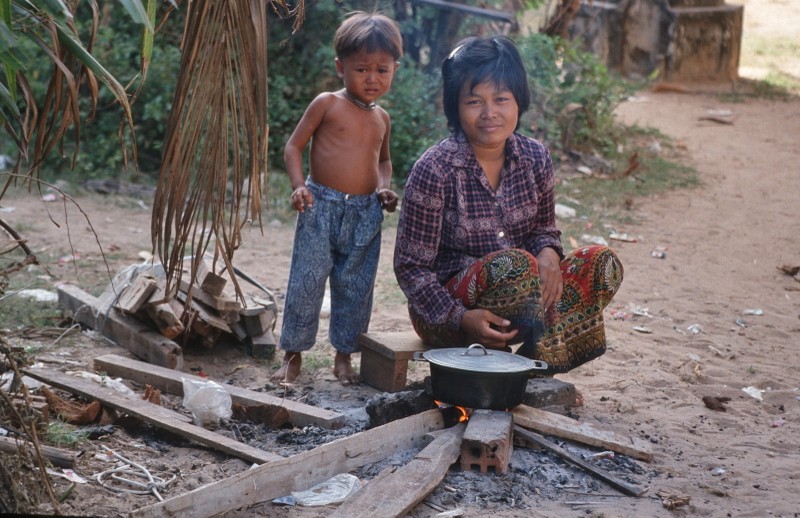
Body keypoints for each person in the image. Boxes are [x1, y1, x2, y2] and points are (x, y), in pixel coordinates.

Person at [393, 36, 623, 374]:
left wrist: (548, 252)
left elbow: (544, 229)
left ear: (519, 102)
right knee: (516, 265)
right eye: (474, 102)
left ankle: (534, 365)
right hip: (444, 316)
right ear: (456, 107)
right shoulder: (435, 169)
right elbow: (411, 268)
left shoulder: (535, 157)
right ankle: (516, 362)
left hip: (521, 299)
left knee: (601, 264)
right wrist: (462, 317)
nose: (490, 113)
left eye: (501, 99)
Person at [272, 12, 402, 385]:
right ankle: (292, 357)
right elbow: (293, 147)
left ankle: (343, 357)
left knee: (355, 287)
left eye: (382, 70)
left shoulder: (383, 119)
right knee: (306, 282)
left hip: (365, 213)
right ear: (340, 67)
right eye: (362, 69)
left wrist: (383, 187)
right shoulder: (326, 104)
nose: (372, 79)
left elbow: (384, 161)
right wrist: (300, 186)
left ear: (394, 69)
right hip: (320, 205)